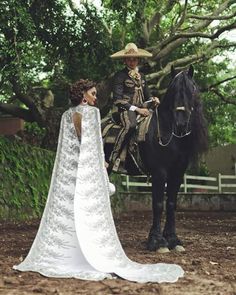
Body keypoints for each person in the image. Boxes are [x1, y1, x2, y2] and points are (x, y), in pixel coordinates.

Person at [13, 79, 183, 283]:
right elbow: (90, 140)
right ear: (83, 95)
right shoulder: (92, 112)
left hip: (73, 165)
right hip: (124, 115)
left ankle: (68, 246)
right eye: (93, 93)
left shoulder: (68, 113)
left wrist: (150, 102)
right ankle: (117, 156)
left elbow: (74, 140)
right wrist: (102, 161)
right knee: (128, 128)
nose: (95, 97)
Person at [109, 43, 160, 170]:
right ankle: (114, 157)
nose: (132, 62)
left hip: (141, 108)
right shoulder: (119, 76)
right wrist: (137, 109)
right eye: (129, 59)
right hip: (124, 110)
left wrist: (153, 99)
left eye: (135, 59)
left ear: (138, 60)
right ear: (124, 60)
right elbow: (117, 100)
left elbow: (147, 95)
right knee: (131, 125)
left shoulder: (142, 76)